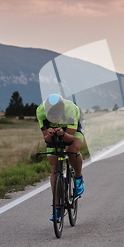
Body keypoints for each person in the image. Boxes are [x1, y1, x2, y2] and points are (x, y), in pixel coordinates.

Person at [36, 93, 85, 221]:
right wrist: (50, 135)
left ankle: (78, 177)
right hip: (57, 132)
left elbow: (70, 138)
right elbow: (47, 139)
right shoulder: (40, 111)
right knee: (54, 167)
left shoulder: (70, 110)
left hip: (71, 129)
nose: (53, 118)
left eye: (56, 115)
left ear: (62, 111)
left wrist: (62, 133)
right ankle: (57, 208)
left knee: (71, 149)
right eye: (50, 116)